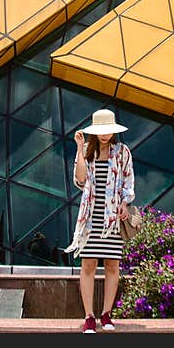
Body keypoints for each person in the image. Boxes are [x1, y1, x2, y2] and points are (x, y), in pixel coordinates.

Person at [63, 108, 135, 333]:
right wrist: (78, 148)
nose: (105, 135)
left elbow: (128, 183)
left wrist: (125, 203)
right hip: (90, 219)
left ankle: (106, 315)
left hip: (113, 219)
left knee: (112, 265)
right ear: (95, 132)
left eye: (108, 131)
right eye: (101, 131)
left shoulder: (122, 152)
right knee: (88, 265)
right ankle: (89, 317)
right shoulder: (87, 151)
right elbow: (81, 179)